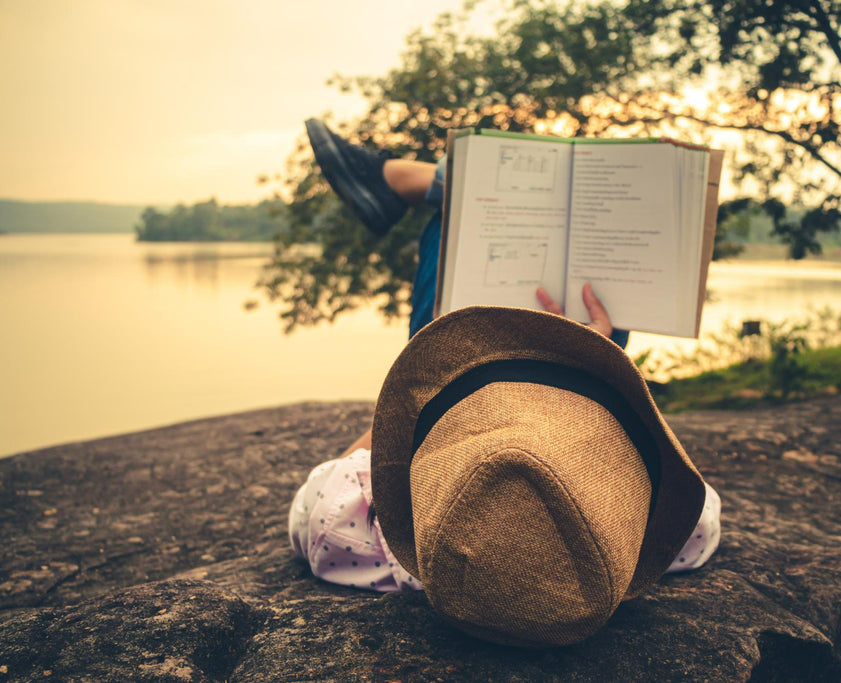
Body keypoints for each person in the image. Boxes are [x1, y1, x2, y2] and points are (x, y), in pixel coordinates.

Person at [288, 121, 722, 647]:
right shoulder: (671, 539)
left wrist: (586, 367)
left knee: (452, 224)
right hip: (514, 377)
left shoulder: (354, 532)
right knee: (592, 287)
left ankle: (420, 181)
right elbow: (699, 508)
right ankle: (422, 180)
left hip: (529, 384)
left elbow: (323, 491)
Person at [303, 118, 632, 347]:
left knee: (453, 219)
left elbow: (413, 415)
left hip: (456, 401)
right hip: (485, 402)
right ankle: (403, 179)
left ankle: (402, 179)